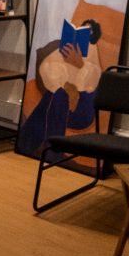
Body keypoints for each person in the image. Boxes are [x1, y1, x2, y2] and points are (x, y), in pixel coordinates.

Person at [17, 18, 103, 154]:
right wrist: (64, 84)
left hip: (82, 110)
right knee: (57, 95)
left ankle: (42, 148)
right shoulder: (68, 48)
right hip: (62, 104)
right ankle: (38, 147)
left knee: (57, 97)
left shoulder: (92, 50)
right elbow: (46, 66)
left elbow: (94, 80)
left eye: (89, 30)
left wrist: (80, 65)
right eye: (84, 28)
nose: (87, 32)